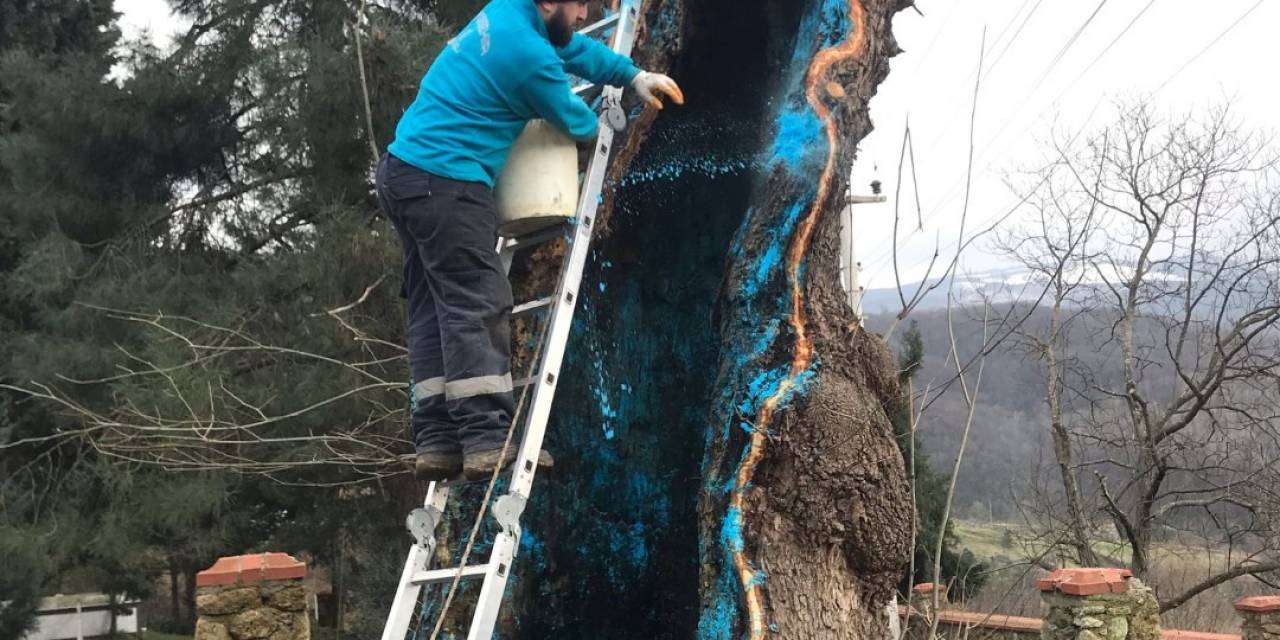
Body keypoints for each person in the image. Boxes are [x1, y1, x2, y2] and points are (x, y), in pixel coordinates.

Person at [375, 0, 684, 481]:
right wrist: (607, 107)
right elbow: (579, 124)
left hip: (404, 173)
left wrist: (630, 74)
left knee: (432, 308)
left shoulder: (507, 12)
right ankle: (485, 440)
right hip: (447, 181)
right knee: (474, 300)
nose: (584, 15)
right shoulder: (527, 55)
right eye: (579, 3)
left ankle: (436, 441)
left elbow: (569, 46)